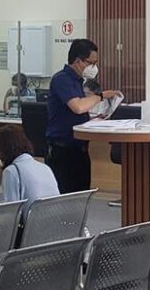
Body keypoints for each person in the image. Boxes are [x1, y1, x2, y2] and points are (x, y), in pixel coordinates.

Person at [46, 39, 119, 194]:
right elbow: (78, 107)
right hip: (63, 151)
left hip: (80, 149)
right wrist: (101, 96)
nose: (94, 68)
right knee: (64, 197)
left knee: (82, 195)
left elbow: (76, 115)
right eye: (91, 63)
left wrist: (95, 120)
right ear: (78, 61)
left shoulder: (79, 81)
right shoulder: (62, 79)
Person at [0, 126, 59, 215]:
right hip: (54, 219)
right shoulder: (45, 168)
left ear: (3, 152)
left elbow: (11, 210)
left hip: (31, 221)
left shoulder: (11, 171)